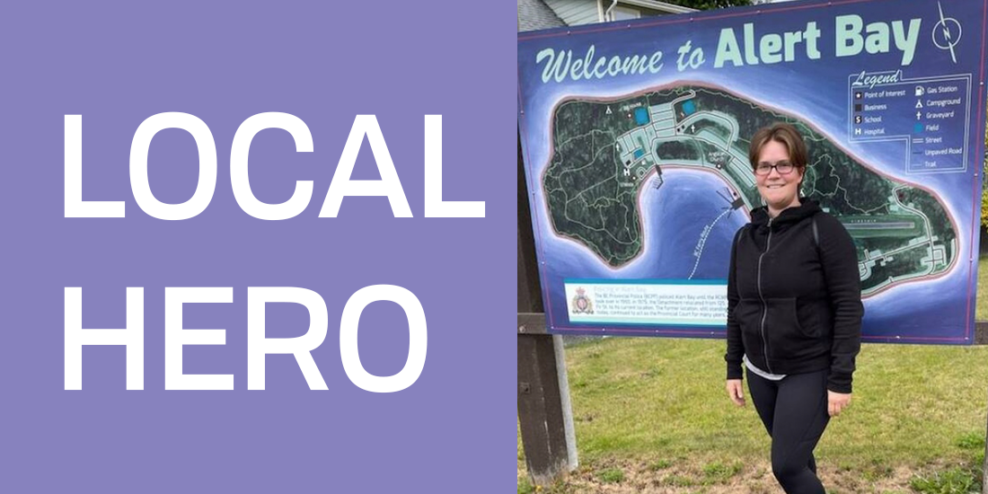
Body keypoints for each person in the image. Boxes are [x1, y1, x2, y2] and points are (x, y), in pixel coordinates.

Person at [724, 122, 863, 494]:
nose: (774, 174)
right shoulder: (744, 238)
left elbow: (848, 307)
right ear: (754, 173)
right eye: (765, 166)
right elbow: (736, 305)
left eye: (784, 165)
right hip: (759, 372)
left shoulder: (825, 231)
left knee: (785, 464)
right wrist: (732, 367)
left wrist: (840, 379)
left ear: (800, 171)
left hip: (809, 370)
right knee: (798, 459)